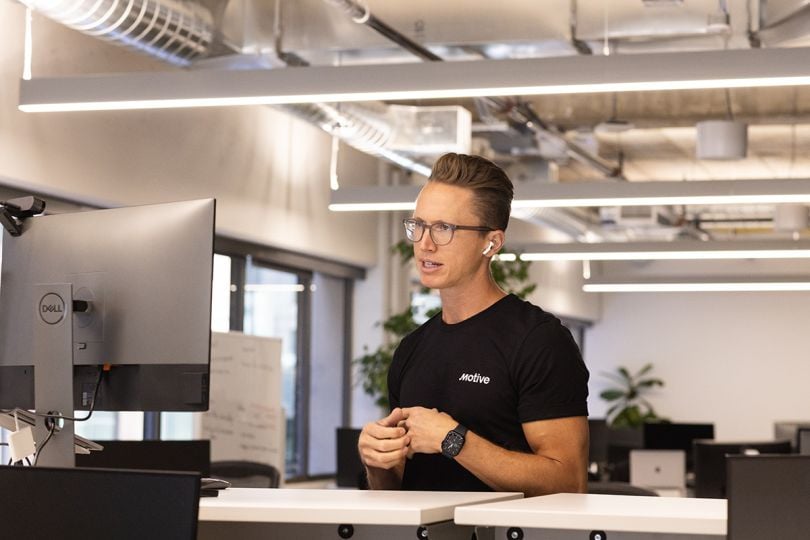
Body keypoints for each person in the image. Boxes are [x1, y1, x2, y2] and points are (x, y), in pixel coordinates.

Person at [357, 153, 590, 496]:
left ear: (491, 242)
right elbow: (396, 492)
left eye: (444, 228)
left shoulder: (539, 341)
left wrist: (453, 440)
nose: (425, 243)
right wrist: (378, 461)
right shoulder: (412, 348)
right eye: (418, 225)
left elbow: (568, 481)